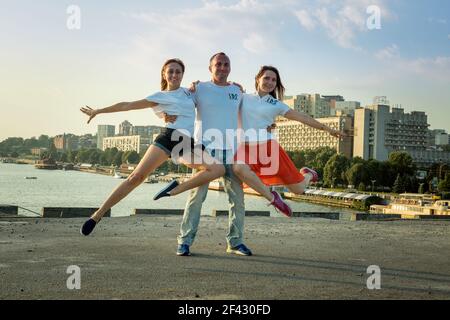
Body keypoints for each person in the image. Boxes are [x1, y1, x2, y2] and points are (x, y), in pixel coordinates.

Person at [78, 58, 226, 236]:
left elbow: (214, 90)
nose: (174, 74)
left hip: (186, 142)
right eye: (170, 71)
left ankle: (174, 188)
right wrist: (98, 111)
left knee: (218, 169)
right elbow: (128, 105)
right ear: (164, 74)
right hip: (167, 138)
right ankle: (97, 215)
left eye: (177, 71)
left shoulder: (190, 93)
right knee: (136, 177)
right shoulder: (159, 96)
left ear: (183, 74)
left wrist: (235, 86)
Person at [156, 52, 254, 257]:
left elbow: (250, 112)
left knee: (237, 199)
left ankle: (235, 242)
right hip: (204, 150)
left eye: (226, 64)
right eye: (218, 64)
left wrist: (268, 124)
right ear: (210, 68)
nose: (222, 67)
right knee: (196, 198)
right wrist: (162, 114)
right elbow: (172, 98)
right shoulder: (198, 89)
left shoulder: (237, 90)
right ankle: (184, 241)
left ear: (230, 68)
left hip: (231, 151)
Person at [232, 65, 347, 216]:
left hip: (268, 148)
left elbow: (303, 117)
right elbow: (224, 96)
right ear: (257, 79)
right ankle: (274, 198)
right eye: (266, 78)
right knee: (238, 168)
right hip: (244, 148)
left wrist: (327, 129)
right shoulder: (243, 97)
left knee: (298, 190)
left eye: (274, 80)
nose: (270, 82)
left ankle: (308, 174)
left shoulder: (276, 104)